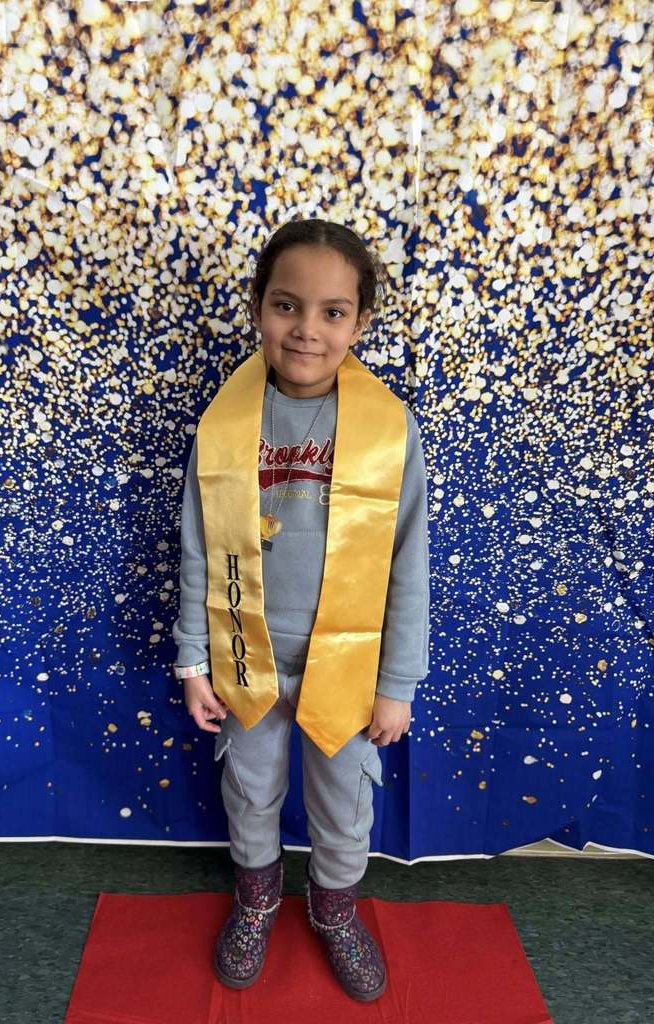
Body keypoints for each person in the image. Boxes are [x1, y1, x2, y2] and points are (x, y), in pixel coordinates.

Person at [171, 218, 430, 1003]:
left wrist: (398, 682)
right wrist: (192, 659)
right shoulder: (224, 423)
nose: (307, 330)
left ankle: (333, 906)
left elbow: (406, 563)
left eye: (332, 312)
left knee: (345, 798)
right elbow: (194, 545)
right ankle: (257, 900)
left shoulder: (389, 432)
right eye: (286, 305)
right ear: (257, 307)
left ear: (362, 321)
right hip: (244, 653)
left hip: (346, 668)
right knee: (248, 790)